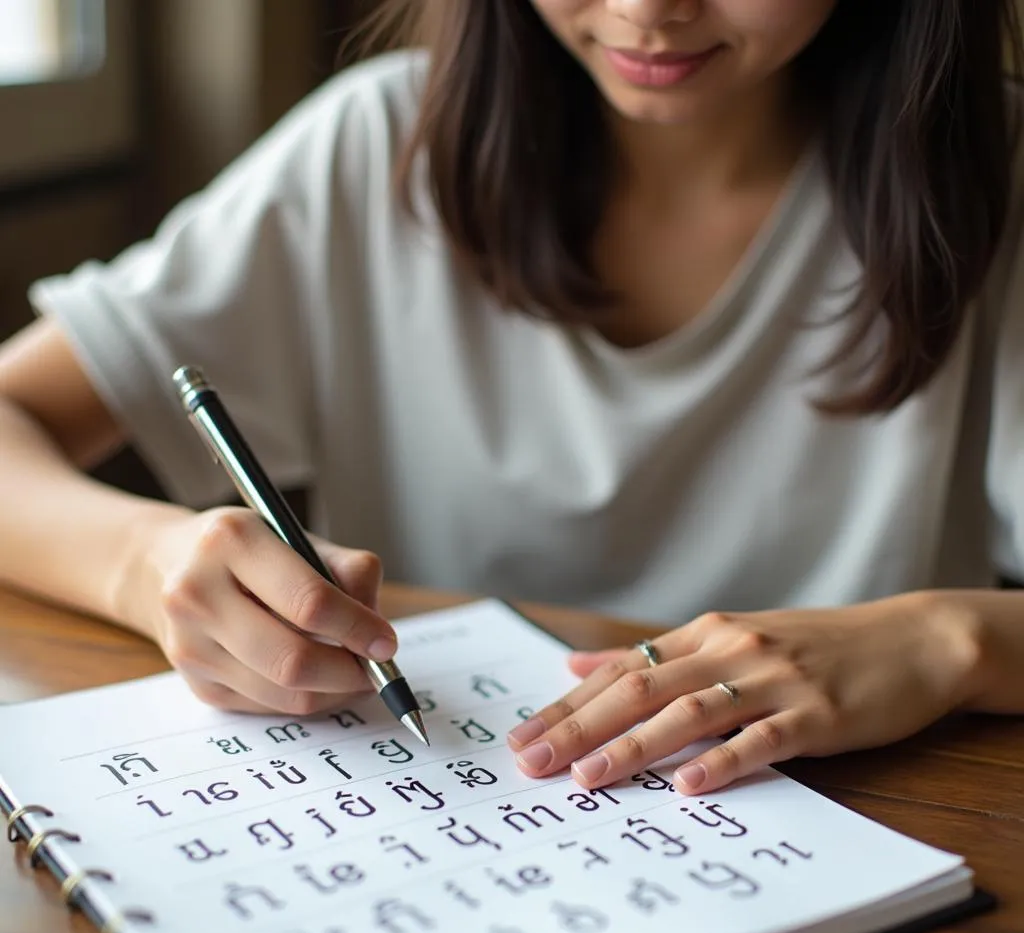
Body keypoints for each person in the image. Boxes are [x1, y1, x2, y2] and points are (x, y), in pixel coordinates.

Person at [1, 1, 1023, 800]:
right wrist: (148, 562)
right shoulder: (376, 149)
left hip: (884, 828)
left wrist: (949, 641)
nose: (646, 10)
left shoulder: (996, 180)